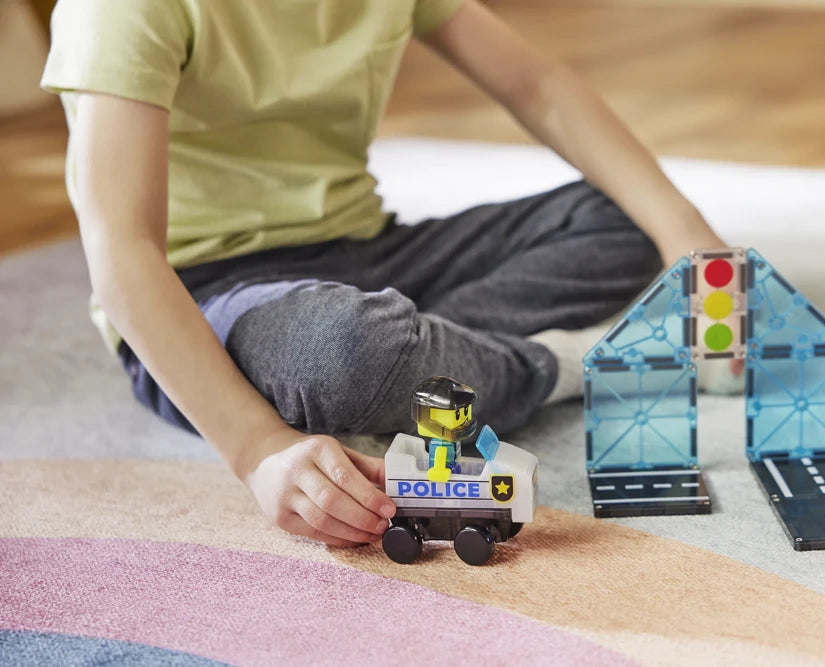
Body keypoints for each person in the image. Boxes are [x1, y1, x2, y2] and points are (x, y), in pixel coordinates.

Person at [41, 0, 732, 549]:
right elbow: (123, 252)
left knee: (624, 213)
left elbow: (538, 84)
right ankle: (555, 365)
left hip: (368, 250)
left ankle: (408, 364)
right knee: (347, 349)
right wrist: (259, 447)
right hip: (206, 290)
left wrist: (688, 239)